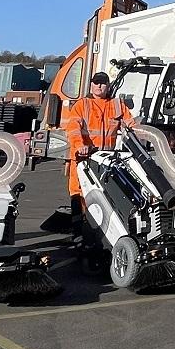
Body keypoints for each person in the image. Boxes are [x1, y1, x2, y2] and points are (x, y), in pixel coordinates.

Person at [62, 71, 135, 233]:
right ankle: (78, 231)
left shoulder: (117, 105)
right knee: (79, 194)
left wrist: (144, 137)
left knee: (105, 195)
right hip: (82, 159)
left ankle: (100, 231)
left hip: (106, 160)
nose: (99, 86)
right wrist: (80, 145)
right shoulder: (82, 105)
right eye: (96, 82)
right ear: (91, 85)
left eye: (102, 83)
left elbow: (132, 125)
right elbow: (73, 128)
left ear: (108, 86)